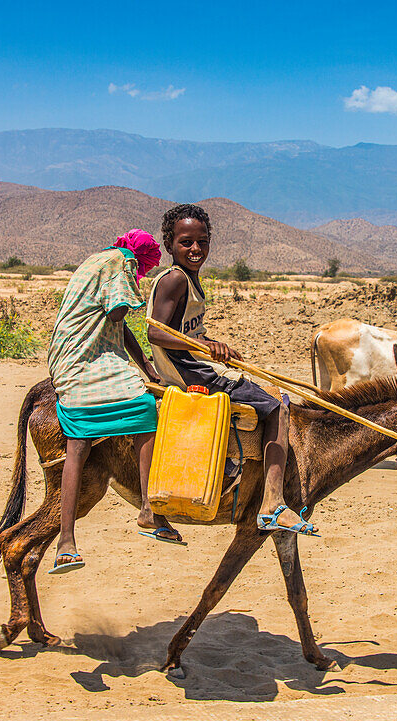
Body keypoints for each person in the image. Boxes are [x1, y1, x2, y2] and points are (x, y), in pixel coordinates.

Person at [147, 204, 316, 535]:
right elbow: (155, 331)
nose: (195, 249)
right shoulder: (176, 279)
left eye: (202, 241)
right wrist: (205, 349)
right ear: (169, 246)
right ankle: (272, 503)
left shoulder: (189, 280)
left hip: (195, 366)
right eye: (186, 242)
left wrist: (212, 344)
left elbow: (185, 332)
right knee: (276, 408)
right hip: (190, 374)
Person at [46, 229, 183, 574]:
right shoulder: (118, 262)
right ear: (139, 258)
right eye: (144, 268)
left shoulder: (94, 262)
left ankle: (67, 541)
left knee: (78, 446)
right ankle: (149, 507)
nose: (142, 273)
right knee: (144, 408)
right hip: (88, 360)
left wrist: (145, 365)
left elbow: (116, 328)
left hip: (71, 361)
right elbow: (120, 314)